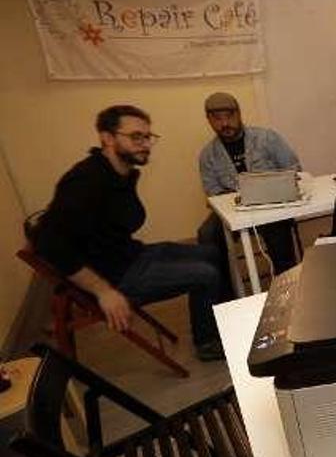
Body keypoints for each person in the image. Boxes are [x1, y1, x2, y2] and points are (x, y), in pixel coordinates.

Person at [33, 105, 226, 361]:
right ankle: (208, 343)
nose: (145, 144)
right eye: (136, 137)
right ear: (107, 138)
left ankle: (224, 322)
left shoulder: (121, 174)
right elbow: (47, 241)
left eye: (148, 137)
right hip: (115, 276)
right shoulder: (85, 180)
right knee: (206, 274)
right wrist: (104, 292)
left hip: (130, 256)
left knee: (213, 252)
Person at [197, 92, 302, 274]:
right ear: (209, 120)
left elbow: (294, 168)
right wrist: (236, 200)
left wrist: (274, 187)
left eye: (229, 116)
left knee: (277, 228)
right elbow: (212, 192)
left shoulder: (267, 138)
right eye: (217, 119)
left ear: (239, 114)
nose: (224, 124)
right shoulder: (207, 155)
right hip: (233, 208)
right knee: (207, 234)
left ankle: (287, 282)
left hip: (272, 202)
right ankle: (226, 294)